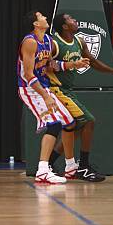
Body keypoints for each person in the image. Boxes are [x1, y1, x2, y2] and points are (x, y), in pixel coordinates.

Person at [47, 13, 113, 182]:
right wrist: (55, 65)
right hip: (56, 90)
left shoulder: (79, 41)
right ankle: (83, 167)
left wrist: (112, 70)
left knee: (75, 127)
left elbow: (92, 61)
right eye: (70, 19)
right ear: (65, 26)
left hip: (67, 90)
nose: (75, 20)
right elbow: (44, 65)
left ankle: (51, 163)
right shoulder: (54, 43)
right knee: (89, 121)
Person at [18, 11, 85, 184]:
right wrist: (45, 97)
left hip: (44, 87)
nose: (45, 17)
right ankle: (42, 170)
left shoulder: (47, 40)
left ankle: (70, 166)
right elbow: (27, 75)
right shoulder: (30, 42)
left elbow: (52, 65)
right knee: (53, 124)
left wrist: (73, 64)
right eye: (41, 16)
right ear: (35, 24)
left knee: (70, 122)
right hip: (30, 89)